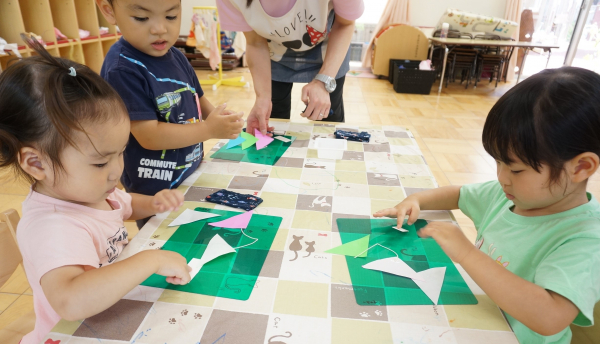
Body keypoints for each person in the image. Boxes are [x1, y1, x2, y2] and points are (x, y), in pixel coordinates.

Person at [375, 67, 600, 344]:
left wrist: (467, 253)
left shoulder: (586, 238)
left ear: (581, 167)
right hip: (477, 318)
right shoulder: (510, 195)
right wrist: (417, 199)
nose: (502, 178)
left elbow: (550, 318)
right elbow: (458, 194)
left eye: (516, 170)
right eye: (498, 163)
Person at [0, 37, 192, 344]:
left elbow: (126, 205)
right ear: (36, 163)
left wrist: (154, 203)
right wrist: (150, 261)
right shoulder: (51, 226)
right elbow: (71, 301)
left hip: (113, 316)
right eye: (101, 162)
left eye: (121, 152)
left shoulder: (90, 191)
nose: (116, 170)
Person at [96, 0, 244, 227]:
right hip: (155, 193)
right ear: (109, 11)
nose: (160, 29)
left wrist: (220, 119)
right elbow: (150, 136)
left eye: (171, 16)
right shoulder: (122, 69)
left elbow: (197, 98)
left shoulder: (176, 55)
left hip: (189, 175)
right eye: (142, 18)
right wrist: (208, 130)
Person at [217, 0, 364, 134]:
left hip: (329, 45)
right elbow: (255, 42)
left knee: (328, 122)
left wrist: (324, 80)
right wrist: (263, 97)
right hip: (273, 51)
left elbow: (345, 24)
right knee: (272, 118)